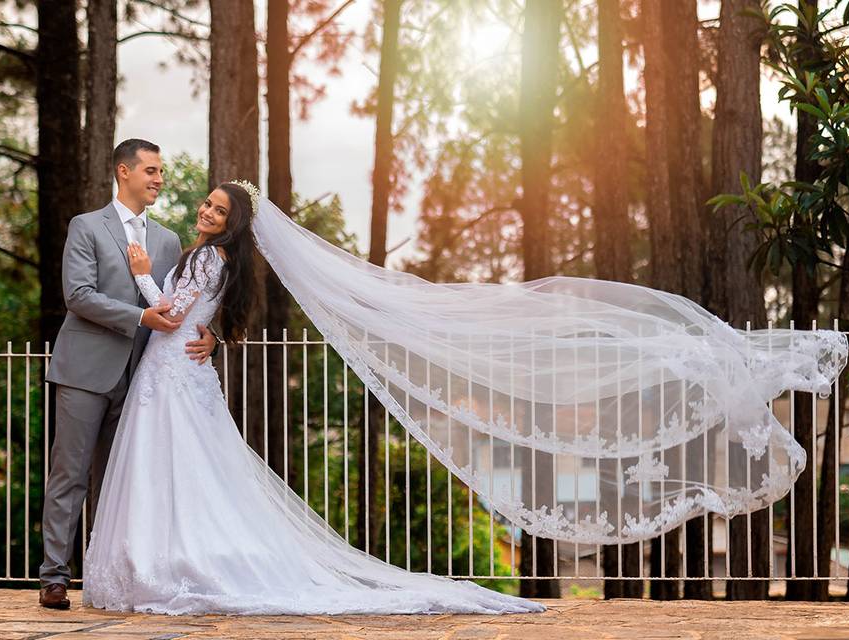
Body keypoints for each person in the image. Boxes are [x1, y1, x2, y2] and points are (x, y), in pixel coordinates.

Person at [82, 181, 545, 615]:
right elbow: (193, 314)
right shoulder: (215, 257)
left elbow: (171, 315)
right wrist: (210, 336)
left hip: (171, 370)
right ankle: (171, 556)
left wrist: (143, 276)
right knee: (191, 466)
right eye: (209, 204)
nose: (207, 212)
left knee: (174, 464)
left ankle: (165, 560)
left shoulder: (208, 258)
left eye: (220, 211)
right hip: (178, 368)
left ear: (233, 224)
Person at [39, 139, 216, 610]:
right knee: (70, 475)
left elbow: (180, 299)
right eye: (152, 171)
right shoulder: (86, 227)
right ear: (125, 172)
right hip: (85, 370)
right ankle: (55, 576)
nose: (159, 180)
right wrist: (140, 319)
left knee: (125, 480)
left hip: (142, 379)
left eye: (161, 172)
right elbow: (77, 294)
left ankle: (117, 574)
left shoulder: (167, 239)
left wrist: (211, 333)